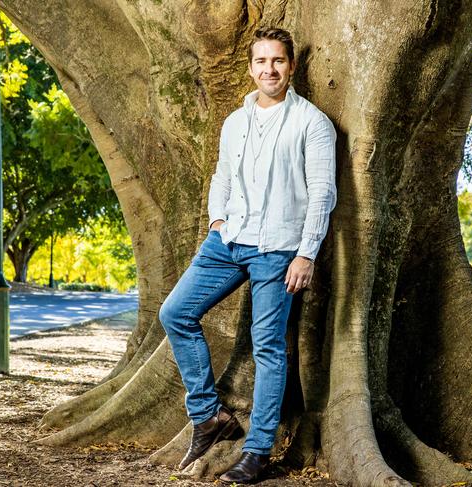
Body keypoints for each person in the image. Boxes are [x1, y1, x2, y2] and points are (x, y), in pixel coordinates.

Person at [158, 27, 337, 484]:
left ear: (291, 67)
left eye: (277, 61)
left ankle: (257, 451)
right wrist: (217, 219)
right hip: (228, 240)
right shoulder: (235, 120)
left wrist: (307, 254)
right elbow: (221, 175)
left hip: (278, 249)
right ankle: (208, 417)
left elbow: (322, 194)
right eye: (261, 61)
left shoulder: (312, 123)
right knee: (175, 312)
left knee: (268, 348)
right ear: (251, 66)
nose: (269, 69)